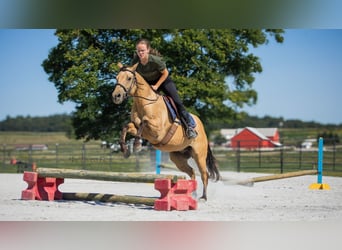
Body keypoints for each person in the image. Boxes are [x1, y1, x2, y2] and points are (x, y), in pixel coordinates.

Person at [131, 38, 197, 139]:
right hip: (148, 83)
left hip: (163, 81)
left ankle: (190, 125)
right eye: (138, 51)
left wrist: (157, 86)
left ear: (148, 50)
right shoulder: (135, 61)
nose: (140, 53)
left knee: (177, 101)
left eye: (142, 50)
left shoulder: (155, 60)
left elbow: (165, 73)